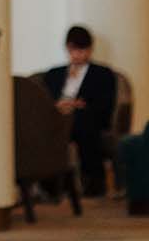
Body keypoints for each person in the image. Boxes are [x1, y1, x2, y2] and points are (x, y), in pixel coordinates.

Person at [40, 25, 122, 198]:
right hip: (56, 119)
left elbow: (105, 105)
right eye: (74, 50)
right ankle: (50, 186)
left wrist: (78, 106)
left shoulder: (102, 74)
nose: (78, 55)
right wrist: (59, 106)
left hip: (86, 119)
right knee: (43, 131)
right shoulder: (54, 75)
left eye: (83, 50)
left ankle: (93, 183)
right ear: (68, 49)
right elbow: (44, 101)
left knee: (85, 127)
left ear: (90, 50)